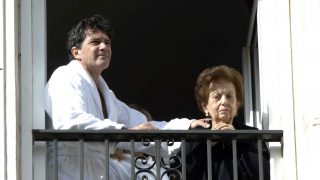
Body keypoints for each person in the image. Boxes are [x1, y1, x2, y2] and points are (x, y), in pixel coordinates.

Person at [44, 14, 209, 180]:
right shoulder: (65, 76)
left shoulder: (107, 95)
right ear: (76, 52)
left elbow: (143, 125)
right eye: (95, 42)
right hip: (67, 169)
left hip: (96, 170)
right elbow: (71, 123)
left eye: (107, 43)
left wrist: (188, 126)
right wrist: (126, 134)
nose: (103, 46)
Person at [170, 65, 270, 180]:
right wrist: (208, 143)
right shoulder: (194, 137)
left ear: (237, 105)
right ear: (205, 106)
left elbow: (264, 175)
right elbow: (176, 175)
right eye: (217, 96)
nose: (224, 102)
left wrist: (237, 141)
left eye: (229, 96)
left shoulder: (252, 136)